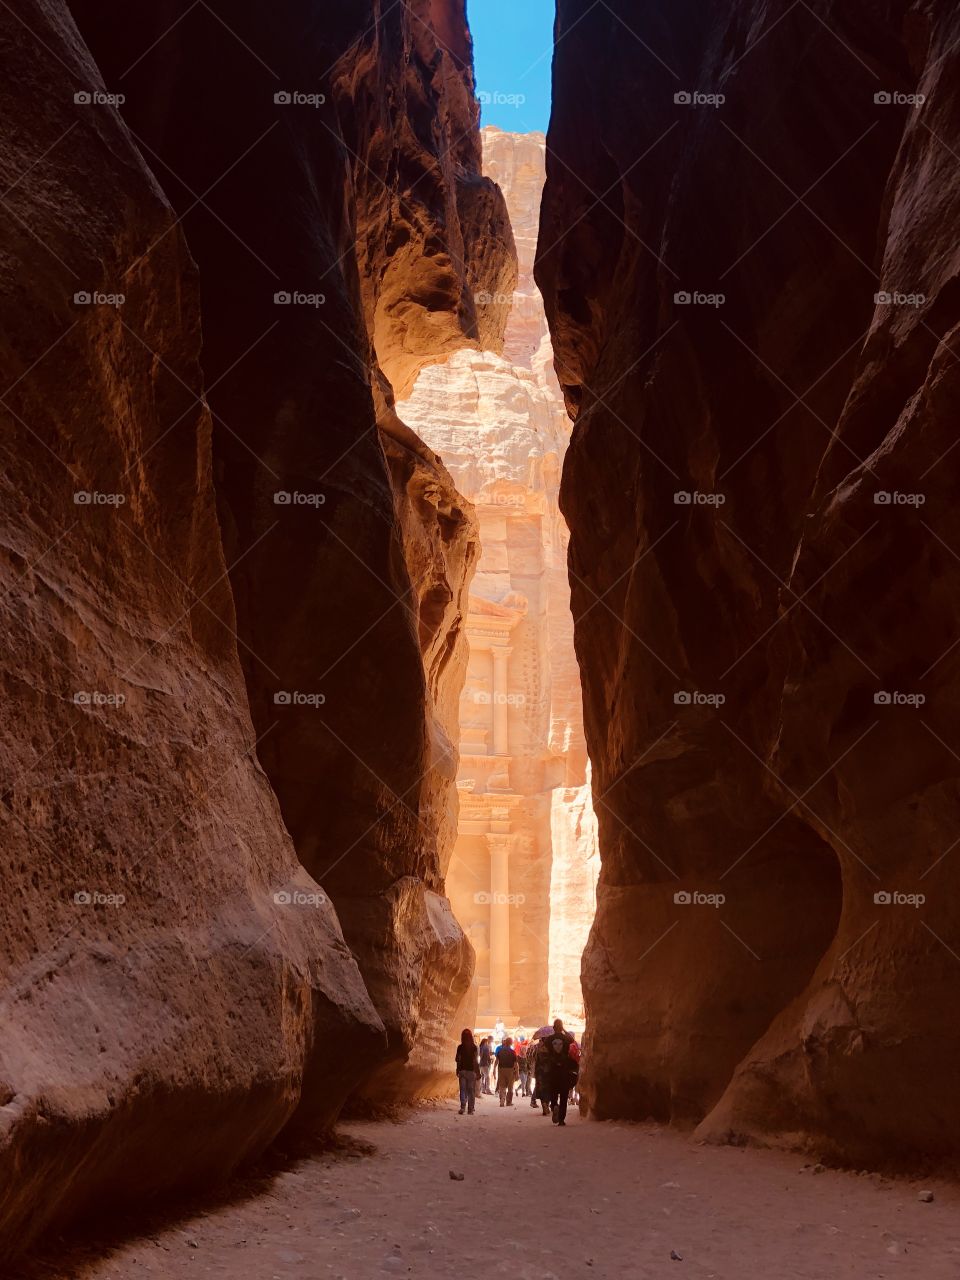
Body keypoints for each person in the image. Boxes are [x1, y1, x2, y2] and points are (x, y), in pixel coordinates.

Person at [545, 1020, 578, 1126]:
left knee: (553, 1091)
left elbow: (546, 1048)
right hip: (564, 1068)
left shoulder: (549, 1039)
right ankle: (561, 1119)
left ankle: (554, 1105)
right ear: (561, 1027)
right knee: (564, 1095)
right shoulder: (566, 1038)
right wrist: (564, 1030)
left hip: (552, 1068)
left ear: (554, 1028)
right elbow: (573, 1040)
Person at [455, 1029, 481, 1115]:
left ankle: (462, 1107)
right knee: (471, 1091)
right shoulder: (474, 1047)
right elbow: (475, 1061)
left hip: (462, 1071)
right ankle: (470, 1109)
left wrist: (457, 1069)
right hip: (471, 1072)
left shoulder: (460, 1047)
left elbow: (458, 1059)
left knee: (463, 1090)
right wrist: (478, 1072)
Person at [495, 1036, 518, 1106]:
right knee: (510, 1087)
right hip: (510, 1070)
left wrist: (493, 1070)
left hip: (501, 1069)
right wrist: (517, 1073)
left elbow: (496, 1061)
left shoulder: (500, 1051)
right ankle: (509, 1102)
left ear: (505, 1042)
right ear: (511, 1043)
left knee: (502, 1086)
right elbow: (515, 1064)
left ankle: (502, 1100)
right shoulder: (513, 1052)